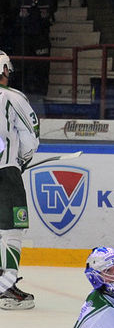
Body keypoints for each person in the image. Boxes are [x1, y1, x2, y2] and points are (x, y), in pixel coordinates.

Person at [0, 50, 40, 310]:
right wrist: (21, 161)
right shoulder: (12, 97)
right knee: (12, 229)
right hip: (5, 174)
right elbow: (32, 135)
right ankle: (5, 288)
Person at [13, 0, 60, 100]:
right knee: (23, 69)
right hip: (24, 39)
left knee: (41, 69)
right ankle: (21, 97)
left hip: (41, 40)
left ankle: (40, 97)